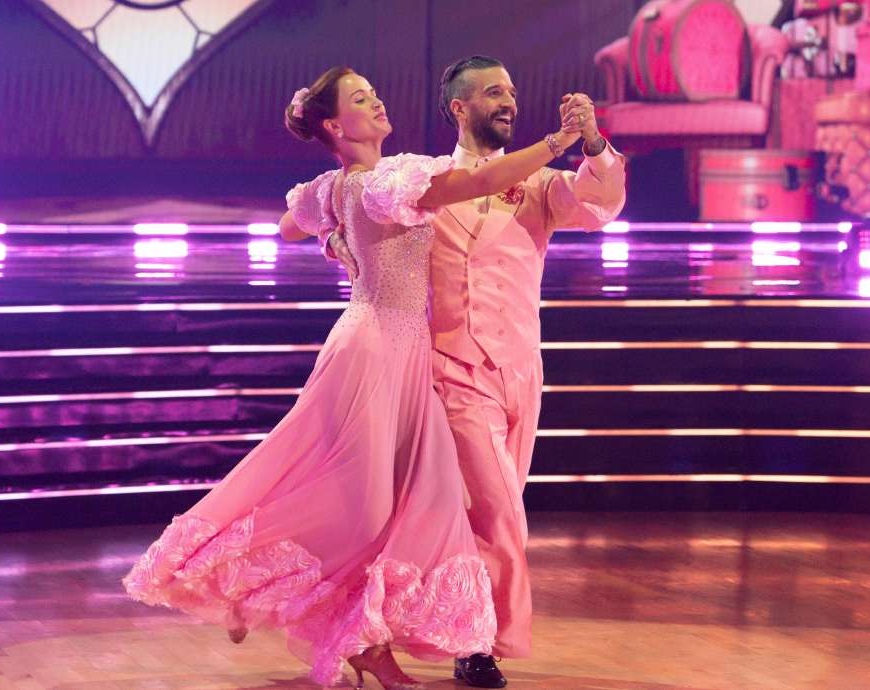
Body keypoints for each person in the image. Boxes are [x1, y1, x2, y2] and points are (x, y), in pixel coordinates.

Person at [122, 65, 585, 690]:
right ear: (338, 125)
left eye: (374, 92)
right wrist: (556, 144)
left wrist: (339, 237)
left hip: (389, 344)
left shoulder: (335, 187)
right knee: (363, 507)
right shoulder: (392, 180)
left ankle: (366, 637)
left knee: (412, 504)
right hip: (378, 351)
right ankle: (261, 590)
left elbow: (290, 226)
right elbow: (485, 177)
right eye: (363, 99)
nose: (378, 101)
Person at [322, 56, 627, 688]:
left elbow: (600, 206)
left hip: (519, 365)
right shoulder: (427, 181)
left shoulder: (540, 183)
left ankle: (419, 627)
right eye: (493, 92)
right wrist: (343, 243)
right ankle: (479, 642)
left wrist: (592, 144)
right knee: (496, 510)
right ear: (460, 108)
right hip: (453, 368)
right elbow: (363, 229)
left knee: (498, 506)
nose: (508, 101)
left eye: (511, 91)